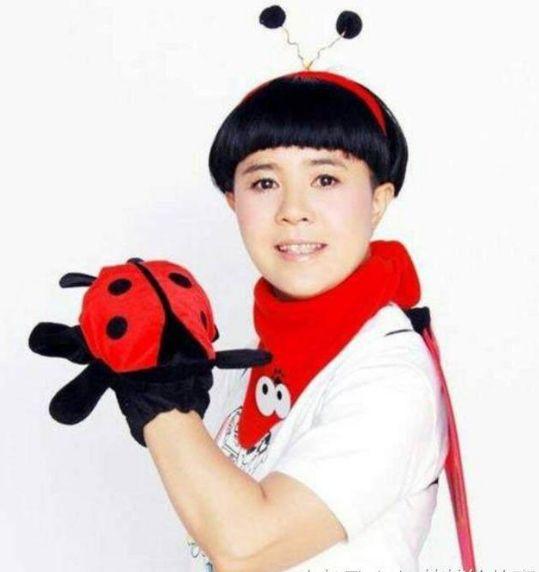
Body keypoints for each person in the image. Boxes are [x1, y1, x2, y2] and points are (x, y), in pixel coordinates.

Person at [142, 71, 450, 572]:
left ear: (378, 200)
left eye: (325, 179)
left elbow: (247, 548)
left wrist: (157, 398)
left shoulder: (388, 374)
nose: (293, 210)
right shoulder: (263, 351)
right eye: (264, 182)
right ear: (233, 202)